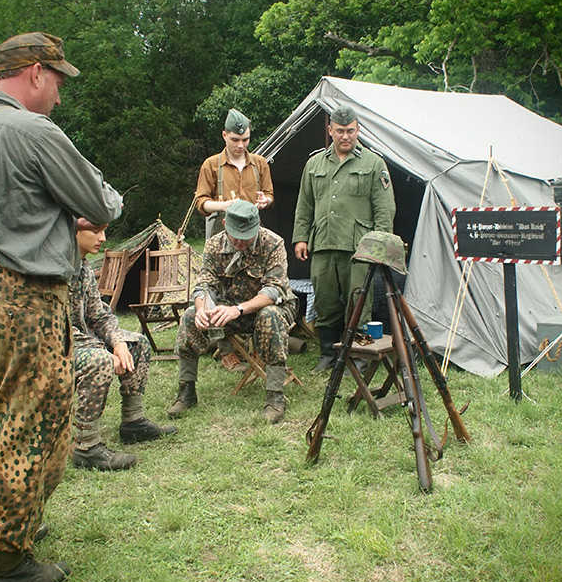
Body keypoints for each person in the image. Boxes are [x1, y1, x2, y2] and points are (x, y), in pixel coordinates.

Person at [0, 32, 123, 582]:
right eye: (59, 81)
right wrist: (68, 224)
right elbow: (103, 203)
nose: (60, 97)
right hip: (28, 298)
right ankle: (7, 561)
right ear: (36, 73)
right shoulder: (32, 130)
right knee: (33, 420)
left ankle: (2, 524)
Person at [168, 200, 297, 423]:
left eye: (246, 236)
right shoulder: (214, 245)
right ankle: (186, 390)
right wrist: (202, 309)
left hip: (267, 309)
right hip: (229, 309)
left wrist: (238, 309)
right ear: (225, 224)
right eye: (235, 234)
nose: (239, 241)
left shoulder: (273, 243)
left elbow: (274, 290)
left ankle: (275, 396)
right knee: (190, 315)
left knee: (270, 315)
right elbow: (205, 285)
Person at [292, 105, 396, 373]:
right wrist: (301, 237)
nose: (345, 136)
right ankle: (328, 353)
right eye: (340, 131)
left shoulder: (373, 164)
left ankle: (359, 355)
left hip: (358, 246)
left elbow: (384, 208)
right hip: (323, 243)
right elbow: (304, 204)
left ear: (358, 129)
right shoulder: (314, 164)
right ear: (330, 131)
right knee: (324, 299)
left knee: (358, 301)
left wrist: (380, 246)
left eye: (350, 130)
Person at [70, 218, 177, 471]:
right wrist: (102, 351)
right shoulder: (56, 270)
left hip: (83, 340)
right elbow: (58, 330)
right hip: (55, 348)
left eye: (104, 231)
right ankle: (86, 446)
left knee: (137, 344)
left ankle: (133, 423)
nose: (103, 238)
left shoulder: (83, 267)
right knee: (100, 361)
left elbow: (99, 315)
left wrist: (118, 343)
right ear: (73, 232)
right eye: (95, 231)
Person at [194, 108, 275, 373]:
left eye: (245, 140)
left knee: (252, 285)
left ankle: (257, 345)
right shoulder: (211, 165)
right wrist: (223, 205)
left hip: (251, 234)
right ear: (224, 136)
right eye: (235, 140)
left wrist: (265, 201)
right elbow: (201, 203)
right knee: (216, 289)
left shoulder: (260, 164)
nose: (241, 145)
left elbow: (271, 195)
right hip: (221, 230)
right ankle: (226, 350)